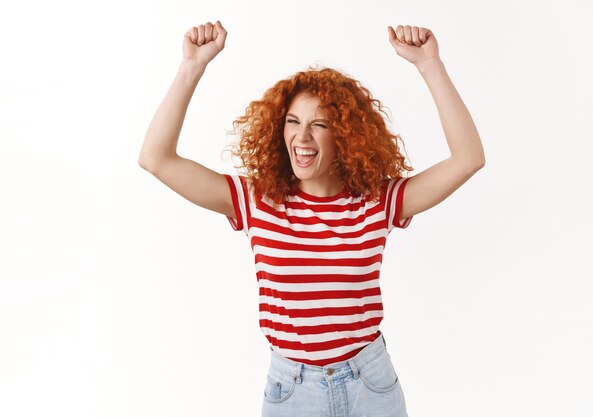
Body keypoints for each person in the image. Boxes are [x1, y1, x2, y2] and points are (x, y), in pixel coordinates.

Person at [138, 19, 485, 417]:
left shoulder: (376, 202)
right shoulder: (257, 201)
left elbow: (468, 159)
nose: (302, 138)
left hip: (369, 384)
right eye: (293, 122)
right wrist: (191, 66)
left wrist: (429, 64)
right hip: (292, 391)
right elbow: (155, 159)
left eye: (319, 125)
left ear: (346, 137)